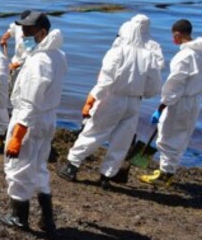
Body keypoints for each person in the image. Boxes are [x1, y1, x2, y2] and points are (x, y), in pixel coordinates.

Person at [59, 15, 162, 186]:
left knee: (94, 132)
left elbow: (105, 80)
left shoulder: (117, 51)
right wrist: (142, 94)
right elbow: (154, 86)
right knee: (122, 140)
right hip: (135, 102)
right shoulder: (149, 55)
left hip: (112, 97)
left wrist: (91, 99)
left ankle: (72, 166)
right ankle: (106, 177)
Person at [0, 10, 66, 234]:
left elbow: (29, 102)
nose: (24, 35)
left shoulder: (39, 62)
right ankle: (47, 220)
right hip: (48, 117)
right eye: (23, 31)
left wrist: (17, 135)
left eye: (28, 31)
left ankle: (18, 217)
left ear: (42, 33)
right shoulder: (58, 55)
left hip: (29, 119)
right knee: (38, 167)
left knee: (18, 166)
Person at [140, 19, 202, 187]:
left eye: (173, 35)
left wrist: (161, 106)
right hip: (195, 100)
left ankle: (165, 174)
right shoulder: (199, 52)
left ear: (177, 34)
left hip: (180, 102)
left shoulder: (184, 56)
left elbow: (174, 84)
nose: (172, 39)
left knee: (167, 136)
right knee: (182, 136)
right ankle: (168, 170)